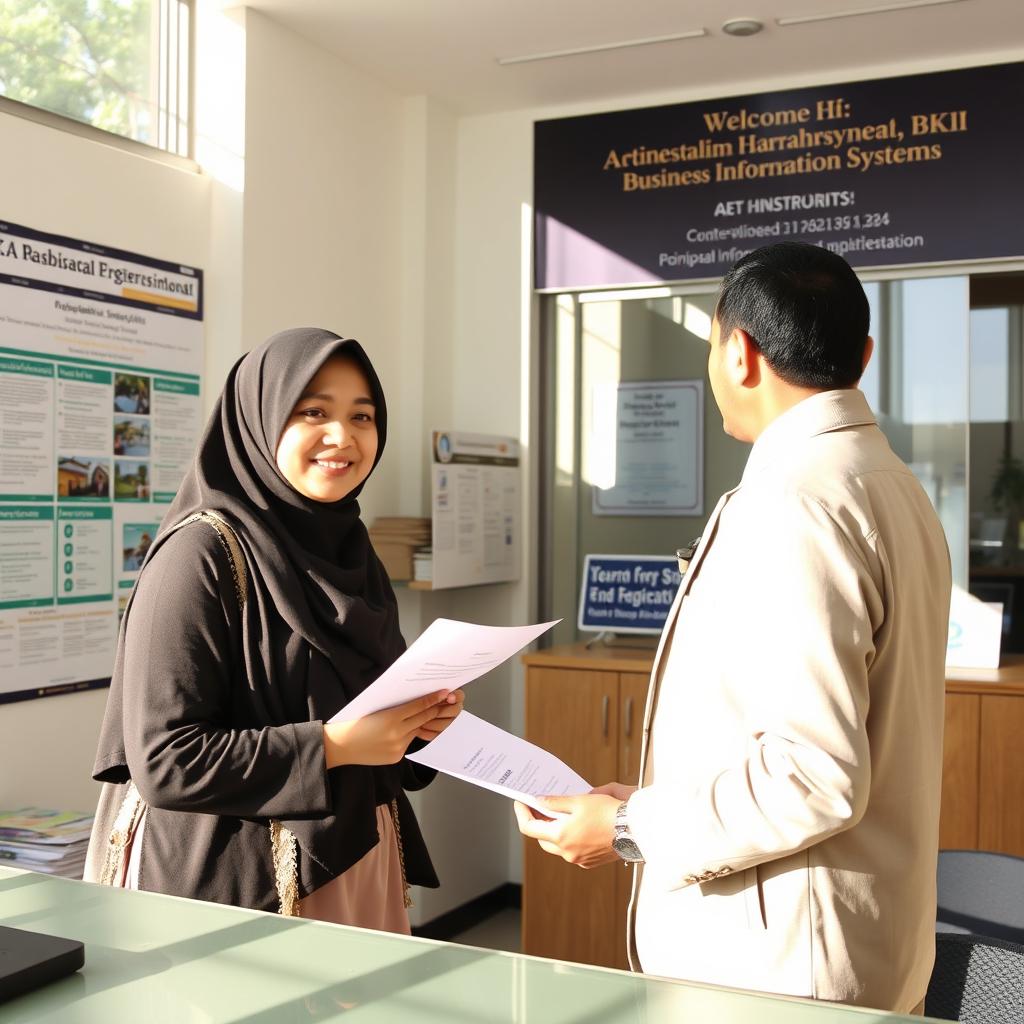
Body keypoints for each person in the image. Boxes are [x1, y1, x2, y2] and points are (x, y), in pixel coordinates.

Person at [516, 242, 952, 1013]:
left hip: (782, 967)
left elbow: (813, 775)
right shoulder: (890, 483)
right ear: (867, 354)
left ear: (740, 353)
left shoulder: (796, 499)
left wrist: (627, 825)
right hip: (860, 941)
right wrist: (650, 804)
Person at [86, 328, 464, 931]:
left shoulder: (352, 556)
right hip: (230, 887)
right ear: (258, 421)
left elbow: (373, 726)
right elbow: (165, 760)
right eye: (313, 411)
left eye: (362, 417)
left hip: (352, 857)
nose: (343, 437)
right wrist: (338, 744)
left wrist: (420, 725)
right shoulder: (199, 555)